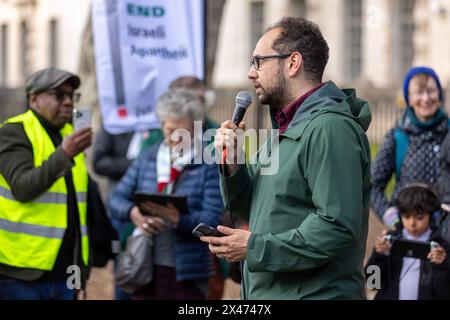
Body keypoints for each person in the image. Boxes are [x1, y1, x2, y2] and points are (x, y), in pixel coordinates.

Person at [201, 17, 372, 299]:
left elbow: (337, 226)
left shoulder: (330, 129)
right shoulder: (284, 130)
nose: (250, 73)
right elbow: (250, 208)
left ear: (292, 63)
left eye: (258, 61)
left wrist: (254, 248)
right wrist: (233, 164)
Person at [108, 89, 224, 300]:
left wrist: (178, 219)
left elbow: (212, 221)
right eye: (170, 130)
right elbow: (115, 199)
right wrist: (134, 213)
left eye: (183, 132)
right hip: (144, 266)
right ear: (161, 126)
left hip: (188, 273)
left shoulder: (209, 163)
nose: (175, 138)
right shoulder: (148, 157)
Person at [0, 68, 92, 299]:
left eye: (72, 96)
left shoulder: (70, 134)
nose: (69, 102)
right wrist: (64, 154)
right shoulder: (14, 131)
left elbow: (80, 206)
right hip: (21, 273)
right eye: (59, 95)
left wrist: (81, 268)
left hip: (65, 273)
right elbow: (23, 188)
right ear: (34, 99)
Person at [371, 67, 448, 228]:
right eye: (419, 92)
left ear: (439, 95)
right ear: (409, 98)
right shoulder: (398, 137)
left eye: (431, 91)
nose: (426, 98)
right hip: (408, 234)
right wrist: (391, 217)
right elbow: (372, 185)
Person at [365, 183, 450, 300]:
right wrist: (378, 255)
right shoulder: (389, 241)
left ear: (432, 215)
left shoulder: (441, 248)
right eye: (407, 216)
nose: (412, 223)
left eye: (419, 217)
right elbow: (372, 283)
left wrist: (441, 266)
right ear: (399, 216)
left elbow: (444, 293)